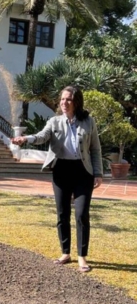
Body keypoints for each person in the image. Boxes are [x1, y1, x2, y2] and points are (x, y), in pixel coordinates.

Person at [11, 86, 103, 273]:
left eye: (68, 99)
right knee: (62, 214)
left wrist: (98, 173)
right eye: (62, 99)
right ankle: (65, 252)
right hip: (61, 171)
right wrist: (26, 138)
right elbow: (42, 136)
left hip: (83, 171)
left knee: (81, 214)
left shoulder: (88, 122)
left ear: (76, 102)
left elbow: (95, 149)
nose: (64, 102)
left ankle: (82, 256)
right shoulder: (54, 121)